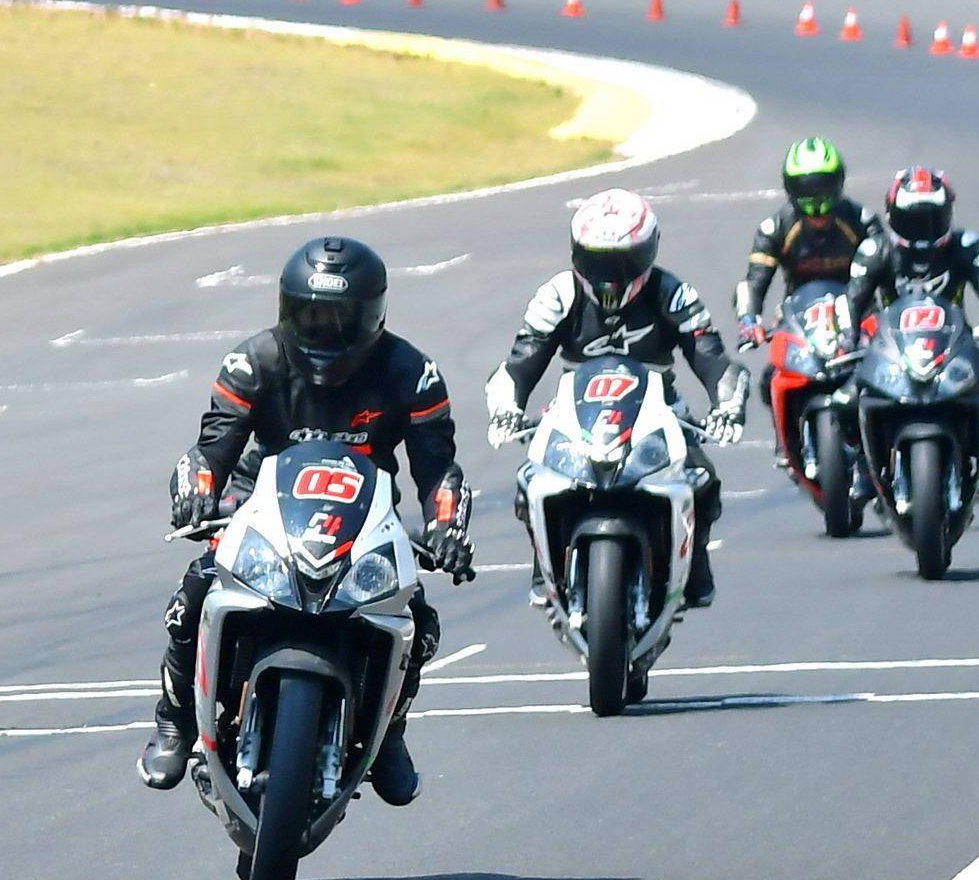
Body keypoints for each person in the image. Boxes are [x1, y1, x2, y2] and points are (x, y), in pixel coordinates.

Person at [138, 235, 476, 797]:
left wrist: (446, 526)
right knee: (194, 591)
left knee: (416, 620)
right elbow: (211, 448)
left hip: (366, 515)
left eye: (341, 320)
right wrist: (196, 491)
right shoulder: (253, 362)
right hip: (260, 502)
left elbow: (438, 467)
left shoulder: (413, 373)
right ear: (285, 309)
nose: (324, 333)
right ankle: (173, 721)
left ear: (374, 316)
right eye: (310, 316)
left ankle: (388, 732)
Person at [491, 190, 747, 607]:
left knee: (702, 477)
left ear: (649, 251)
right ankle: (544, 565)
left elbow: (710, 355)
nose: (610, 276)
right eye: (597, 261)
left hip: (659, 405)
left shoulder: (672, 293)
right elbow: (522, 361)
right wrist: (507, 408)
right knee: (530, 477)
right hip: (575, 407)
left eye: (624, 261)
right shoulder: (558, 295)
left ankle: (695, 562)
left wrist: (727, 406)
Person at [852, 165, 979, 506]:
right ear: (893, 215)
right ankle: (863, 466)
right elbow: (852, 298)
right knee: (845, 399)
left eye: (932, 217)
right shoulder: (875, 251)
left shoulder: (965, 244)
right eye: (913, 219)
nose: (923, 227)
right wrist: (847, 339)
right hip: (891, 347)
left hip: (954, 343)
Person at [737, 135, 871, 321]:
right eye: (805, 191)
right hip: (799, 321)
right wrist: (749, 320)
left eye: (823, 189)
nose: (816, 203)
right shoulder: (775, 228)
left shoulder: (862, 221)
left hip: (859, 317)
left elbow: (888, 273)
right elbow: (754, 282)